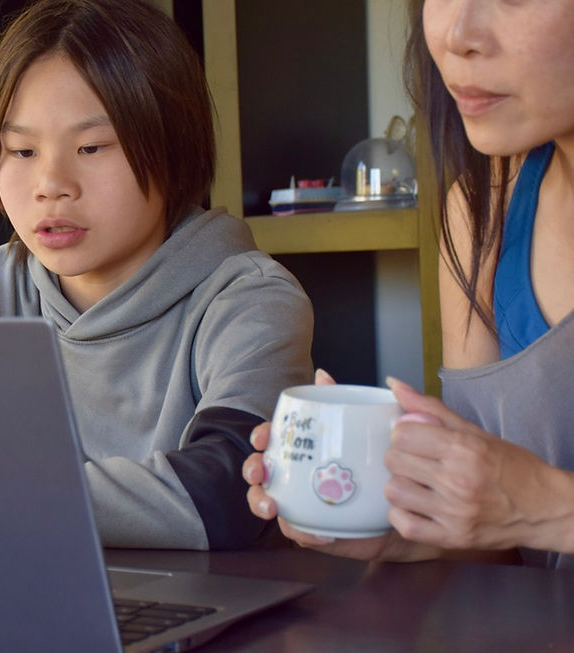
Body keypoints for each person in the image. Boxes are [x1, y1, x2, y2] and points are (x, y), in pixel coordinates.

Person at [0, 0, 313, 550]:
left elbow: (228, 490)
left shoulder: (249, 301)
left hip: (197, 614)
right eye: (21, 150)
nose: (50, 184)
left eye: (91, 147)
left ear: (172, 148)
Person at [244, 0, 574, 569]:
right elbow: (508, 550)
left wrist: (547, 507)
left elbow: (530, 511)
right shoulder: (481, 217)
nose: (456, 35)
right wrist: (409, 530)